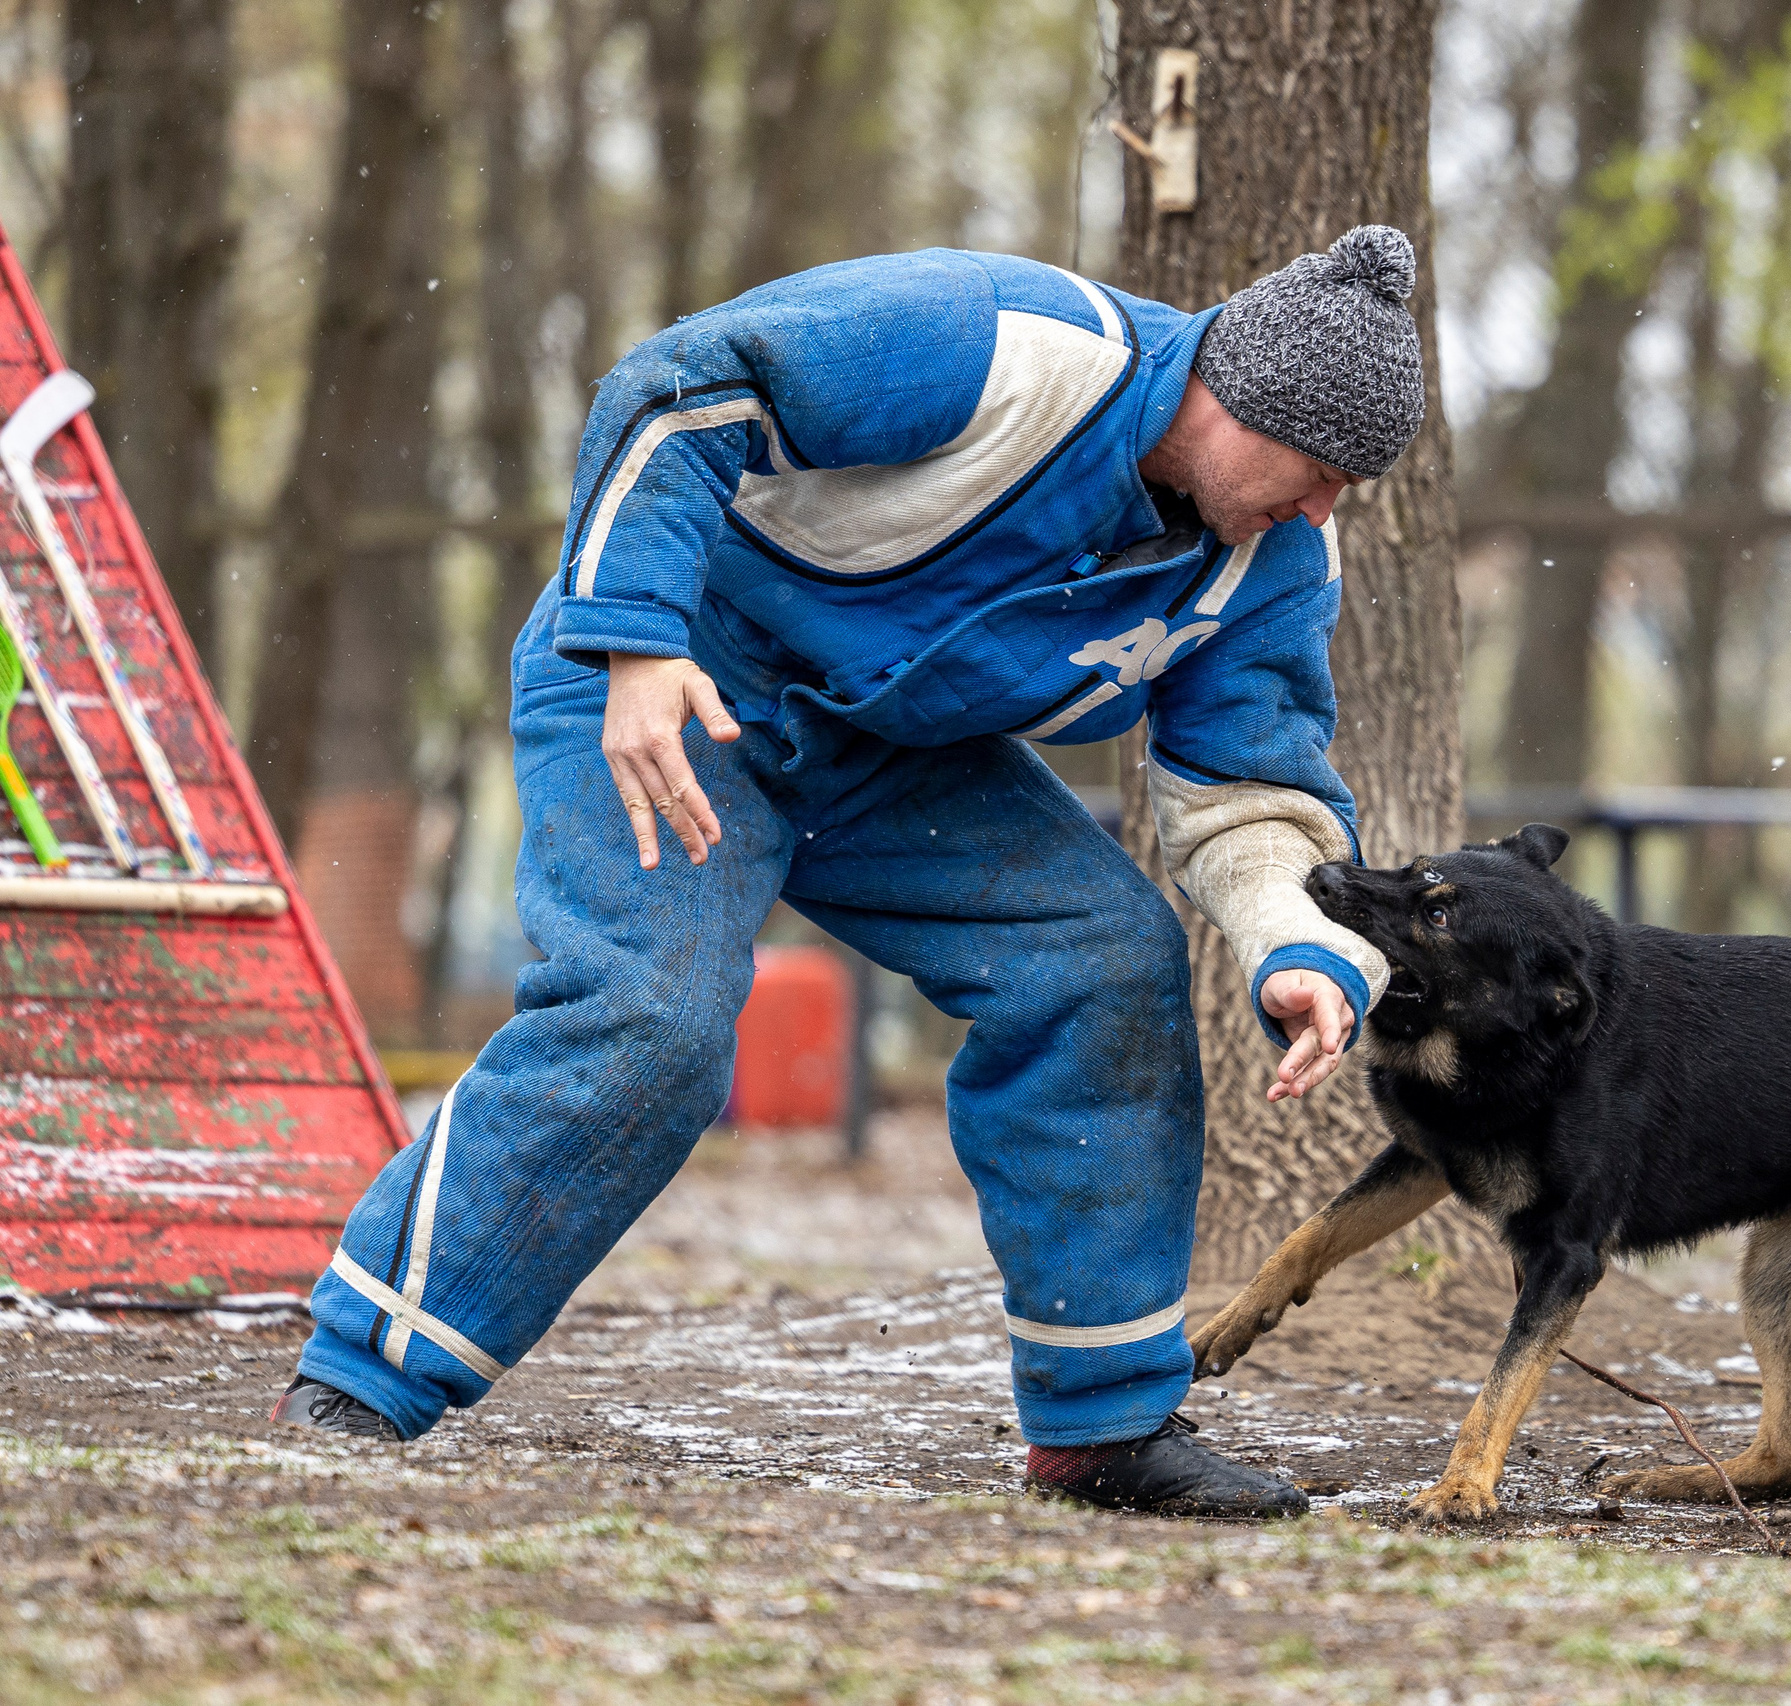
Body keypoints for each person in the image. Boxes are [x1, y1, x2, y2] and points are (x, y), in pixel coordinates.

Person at [270, 227, 1428, 1521]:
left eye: (1347, 487)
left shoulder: (1269, 561)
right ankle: (364, 1372)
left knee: (1101, 959)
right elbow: (682, 385)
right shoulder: (1003, 338)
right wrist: (636, 635)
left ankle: (1107, 1424)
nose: (1323, 508)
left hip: (891, 754)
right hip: (673, 682)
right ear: (1234, 393)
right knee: (649, 1018)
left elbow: (1253, 787)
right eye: (1316, 470)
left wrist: (1299, 944)